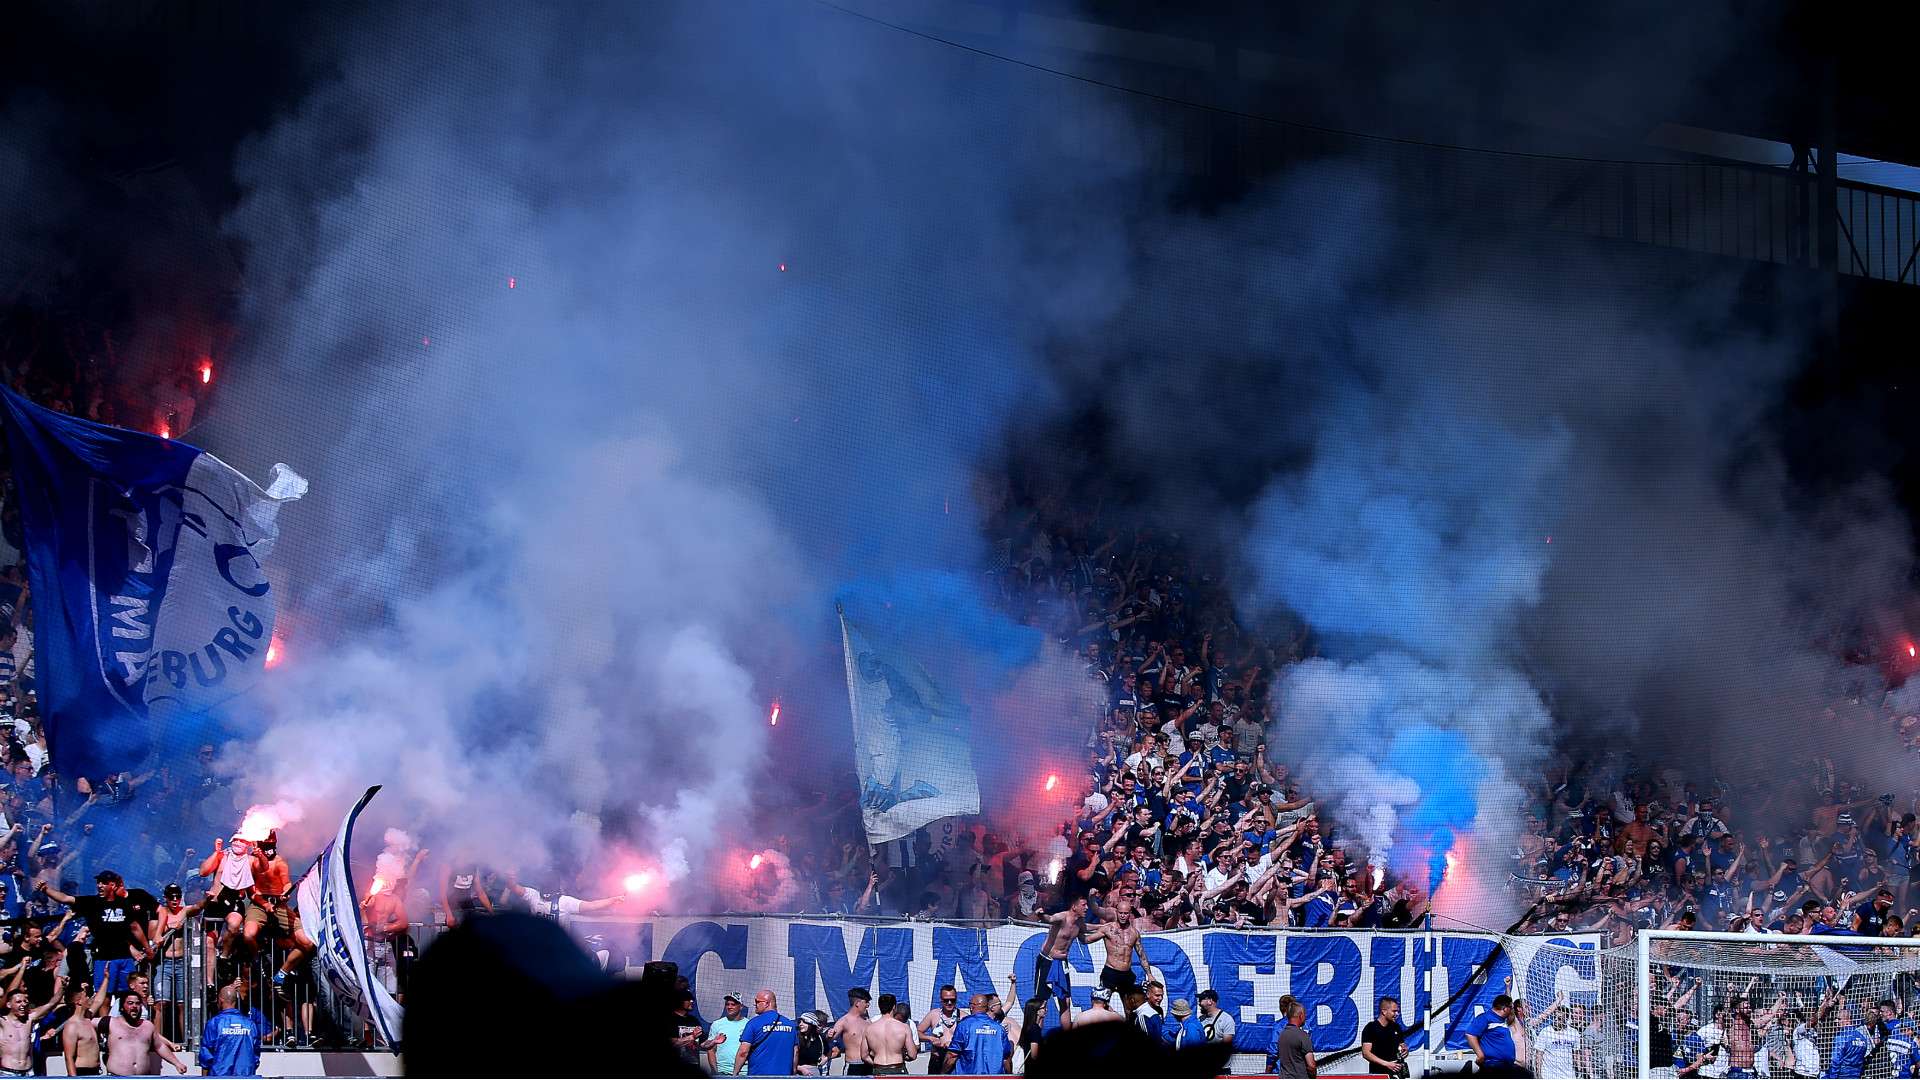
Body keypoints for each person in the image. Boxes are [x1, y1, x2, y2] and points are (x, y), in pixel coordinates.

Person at [38, 872, 153, 997]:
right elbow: (66, 898)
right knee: (104, 996)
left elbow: (135, 927)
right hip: (103, 958)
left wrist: (147, 948)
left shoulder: (124, 904)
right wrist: (46, 890)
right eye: (98, 882)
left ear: (112, 885)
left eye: (103, 883)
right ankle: (104, 1018)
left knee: (130, 994)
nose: (99, 885)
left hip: (124, 958)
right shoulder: (92, 903)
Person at [241, 832, 319, 990]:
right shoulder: (251, 863)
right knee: (248, 935)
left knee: (307, 942)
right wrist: (264, 904)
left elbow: (286, 883)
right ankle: (257, 961)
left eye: (271, 841)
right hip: (259, 904)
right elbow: (252, 891)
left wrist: (284, 895)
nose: (268, 844)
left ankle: (282, 973)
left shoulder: (280, 863)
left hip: (279, 905)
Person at [100, 991, 186, 1075]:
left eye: (137, 1003)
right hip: (117, 1077)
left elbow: (159, 1046)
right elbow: (88, 1025)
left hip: (143, 1077)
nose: (134, 1006)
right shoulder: (111, 1022)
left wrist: (177, 1063)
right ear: (122, 1007)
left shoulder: (147, 1026)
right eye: (130, 1003)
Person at [1030, 897, 1089, 1015]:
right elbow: (1050, 918)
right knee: (1041, 1001)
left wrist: (1104, 928)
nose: (1087, 908)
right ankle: (1033, 1030)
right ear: (1074, 906)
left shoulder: (1079, 922)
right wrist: (1041, 915)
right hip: (1048, 960)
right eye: (1083, 905)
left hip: (1062, 962)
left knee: (1065, 1000)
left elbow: (1089, 930)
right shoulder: (1062, 917)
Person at [196, 985, 263, 1078]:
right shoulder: (250, 1024)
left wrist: (204, 1077)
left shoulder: (214, 1023)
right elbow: (256, 1054)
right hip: (245, 1076)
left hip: (219, 1076)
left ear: (220, 1000)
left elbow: (206, 1055)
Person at [938, 993, 1010, 1076]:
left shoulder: (964, 1025)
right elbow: (1006, 1059)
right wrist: (1009, 1075)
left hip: (969, 1076)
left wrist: (942, 1074)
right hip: (994, 1077)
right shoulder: (999, 1028)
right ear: (987, 1007)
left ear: (972, 1006)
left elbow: (952, 1055)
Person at [734, 989, 797, 1077]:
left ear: (767, 1003)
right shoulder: (790, 1025)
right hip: (784, 1076)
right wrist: (793, 1073)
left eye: (757, 1001)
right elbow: (795, 1052)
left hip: (759, 1075)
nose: (755, 1004)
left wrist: (735, 1073)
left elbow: (743, 1052)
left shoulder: (754, 1023)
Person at [0, 986, 55, 1076]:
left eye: (25, 1001)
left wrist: (63, 988)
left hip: (28, 1073)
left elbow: (51, 1004)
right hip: (8, 1073)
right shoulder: (2, 1022)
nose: (23, 1004)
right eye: (18, 1002)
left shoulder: (30, 1020)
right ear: (8, 1004)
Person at [1092, 906, 1147, 997]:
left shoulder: (1134, 933)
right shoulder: (1108, 929)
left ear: (1130, 914)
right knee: (1102, 1002)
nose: (1122, 916)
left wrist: (1149, 974)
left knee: (1130, 1006)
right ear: (1116, 913)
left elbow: (1142, 956)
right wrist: (1078, 929)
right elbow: (1087, 939)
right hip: (1110, 972)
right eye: (1120, 913)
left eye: (1125, 913)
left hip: (1126, 973)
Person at [1461, 995, 1520, 1077]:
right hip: (1493, 1065)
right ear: (1505, 1009)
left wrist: (1507, 987)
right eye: (1511, 1008)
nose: (1512, 1011)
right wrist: (1480, 1055)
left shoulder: (1503, 1020)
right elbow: (1470, 1034)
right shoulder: (1485, 1018)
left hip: (1506, 1066)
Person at [866, 993, 917, 1075]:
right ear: (894, 1007)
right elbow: (913, 1055)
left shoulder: (869, 1029)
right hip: (897, 1068)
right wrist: (903, 1056)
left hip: (878, 1068)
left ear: (879, 1007)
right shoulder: (904, 1028)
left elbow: (864, 1055)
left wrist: (876, 1065)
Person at [58, 983, 101, 1076]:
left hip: (95, 1072)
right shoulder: (72, 1026)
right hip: (82, 1072)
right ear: (78, 1001)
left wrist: (106, 978)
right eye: (86, 996)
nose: (89, 998)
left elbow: (98, 1001)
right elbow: (69, 1057)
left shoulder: (88, 1018)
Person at [828, 986, 872, 1074]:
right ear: (857, 1003)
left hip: (869, 1064)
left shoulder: (867, 1021)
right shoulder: (844, 1021)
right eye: (866, 1002)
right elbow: (831, 1038)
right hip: (853, 1066)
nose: (868, 1005)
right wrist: (829, 1035)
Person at [919, 985, 962, 1074]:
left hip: (955, 1059)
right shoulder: (934, 1014)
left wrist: (953, 1044)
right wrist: (930, 1038)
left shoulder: (963, 1016)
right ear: (941, 1000)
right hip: (937, 1059)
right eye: (946, 1000)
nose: (949, 1003)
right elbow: (917, 1033)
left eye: (952, 1000)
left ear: (956, 999)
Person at [1530, 1006, 1581, 1080]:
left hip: (1569, 1075)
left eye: (1559, 1018)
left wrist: (1579, 1070)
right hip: (1549, 1075)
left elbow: (1576, 1054)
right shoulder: (1545, 1032)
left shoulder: (1573, 1033)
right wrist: (1538, 1074)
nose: (1556, 1020)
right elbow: (1539, 1054)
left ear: (1566, 1019)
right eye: (1554, 1017)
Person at [1360, 995, 1407, 1076]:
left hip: (1397, 1073)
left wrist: (1405, 1051)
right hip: (1378, 1073)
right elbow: (1366, 1053)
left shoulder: (1396, 1027)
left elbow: (1402, 1045)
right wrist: (1387, 1064)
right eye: (1394, 1011)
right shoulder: (1371, 1028)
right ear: (1384, 1011)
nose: (1397, 1014)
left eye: (1397, 1011)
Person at [708, 992, 750, 1076]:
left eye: (733, 1004)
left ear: (741, 1006)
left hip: (743, 1073)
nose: (729, 1007)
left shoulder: (748, 1024)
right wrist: (716, 1072)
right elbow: (711, 1049)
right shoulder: (717, 1024)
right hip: (722, 1072)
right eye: (727, 1004)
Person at [1273, 997, 1316, 1078]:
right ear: (1300, 1016)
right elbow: (1311, 1065)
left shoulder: (1281, 1034)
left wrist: (1268, 1069)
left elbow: (1273, 1051)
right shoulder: (1303, 1035)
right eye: (1304, 1014)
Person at [669, 988, 706, 1070]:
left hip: (692, 1065)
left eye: (692, 999)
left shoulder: (693, 1020)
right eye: (688, 999)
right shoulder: (669, 1020)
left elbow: (702, 1043)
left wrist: (713, 1042)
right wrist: (692, 1037)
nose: (692, 1001)